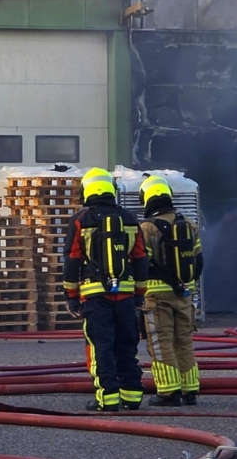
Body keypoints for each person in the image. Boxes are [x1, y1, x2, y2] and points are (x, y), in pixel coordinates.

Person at [64, 168, 149, 412]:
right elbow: (141, 258)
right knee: (126, 345)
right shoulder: (130, 218)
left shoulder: (82, 219)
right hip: (126, 296)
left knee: (100, 346)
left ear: (87, 190)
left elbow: (72, 259)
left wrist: (71, 298)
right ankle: (132, 396)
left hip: (94, 296)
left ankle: (107, 398)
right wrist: (139, 294)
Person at [137, 175, 204, 406]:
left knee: (161, 340)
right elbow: (199, 262)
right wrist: (185, 285)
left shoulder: (146, 228)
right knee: (183, 340)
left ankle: (168, 392)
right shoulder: (189, 224)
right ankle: (190, 390)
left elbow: (141, 264)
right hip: (185, 294)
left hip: (156, 296)